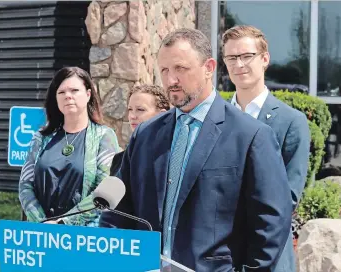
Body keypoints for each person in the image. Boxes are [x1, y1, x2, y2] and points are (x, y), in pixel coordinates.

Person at [100, 28, 292, 271]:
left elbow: (271, 223)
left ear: (209, 67)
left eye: (180, 69)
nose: (171, 80)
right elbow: (118, 210)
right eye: (165, 71)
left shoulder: (251, 135)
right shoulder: (146, 135)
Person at [222, 25, 310, 272]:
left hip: (265, 257)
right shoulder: (212, 117)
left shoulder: (291, 122)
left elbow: (287, 199)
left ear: (265, 59)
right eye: (231, 58)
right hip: (216, 256)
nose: (239, 64)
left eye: (246, 56)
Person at [19, 66, 120, 226]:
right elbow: (25, 186)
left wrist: (64, 224)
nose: (68, 96)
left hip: (84, 238)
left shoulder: (104, 137)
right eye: (61, 92)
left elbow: (104, 191)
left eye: (74, 90)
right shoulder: (41, 138)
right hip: (41, 234)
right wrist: (43, 223)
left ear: (88, 94)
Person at [109, 84, 170, 176]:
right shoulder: (119, 160)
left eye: (140, 109)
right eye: (130, 109)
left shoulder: (172, 157)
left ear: (161, 115)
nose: (132, 116)